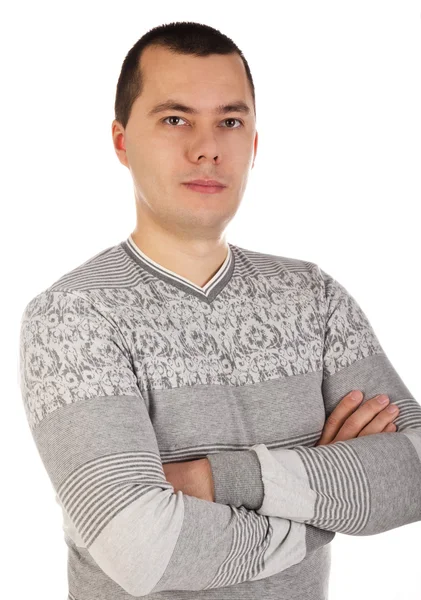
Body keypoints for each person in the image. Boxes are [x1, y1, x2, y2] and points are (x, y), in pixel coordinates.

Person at [19, 21, 421, 600]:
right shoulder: (74, 317)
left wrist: (215, 479)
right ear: (121, 141)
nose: (207, 146)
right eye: (175, 119)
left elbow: (412, 471)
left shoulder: (314, 297)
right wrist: (329, 501)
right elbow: (143, 551)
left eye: (229, 122)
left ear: (254, 144)